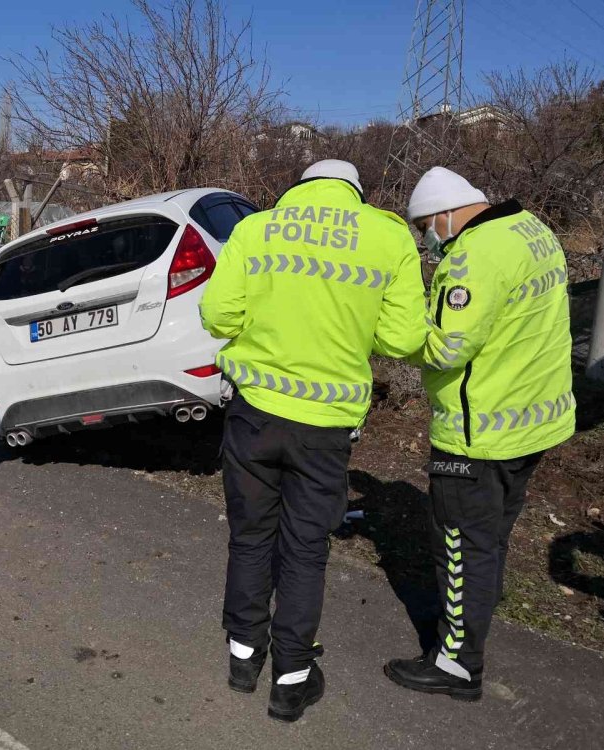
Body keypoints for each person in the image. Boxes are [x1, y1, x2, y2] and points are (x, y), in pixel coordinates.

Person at [200, 160, 426, 722]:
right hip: (324, 428)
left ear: (298, 187)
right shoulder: (388, 234)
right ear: (356, 191)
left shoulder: (257, 227)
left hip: (254, 414)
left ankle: (243, 656)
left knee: (251, 537)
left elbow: (217, 314)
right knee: (305, 550)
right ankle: (292, 678)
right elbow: (401, 340)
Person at [384, 167, 576, 701]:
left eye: (426, 227)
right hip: (532, 421)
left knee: (461, 546)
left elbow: (448, 347)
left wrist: (395, 335)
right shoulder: (533, 230)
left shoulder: (473, 257)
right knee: (488, 539)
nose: (429, 239)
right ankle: (475, 621)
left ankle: (457, 664)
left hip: (477, 433)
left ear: (445, 213)